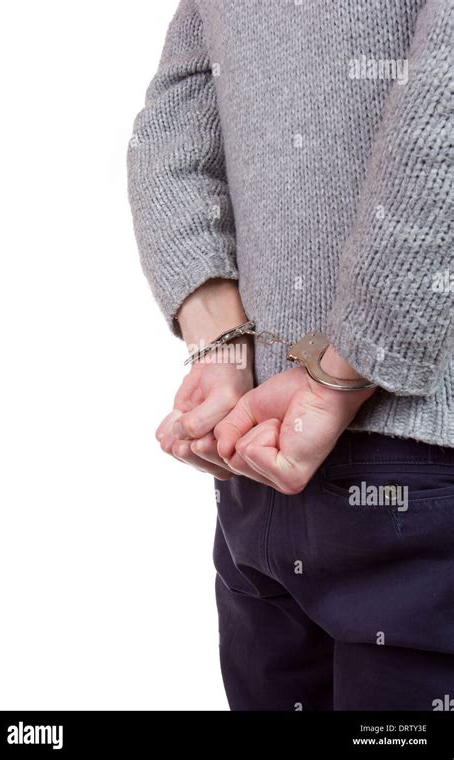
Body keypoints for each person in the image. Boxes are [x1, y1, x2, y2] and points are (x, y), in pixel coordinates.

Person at [127, 0, 453, 710]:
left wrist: (222, 347)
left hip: (266, 456)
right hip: (401, 457)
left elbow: (179, 111)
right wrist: (337, 374)